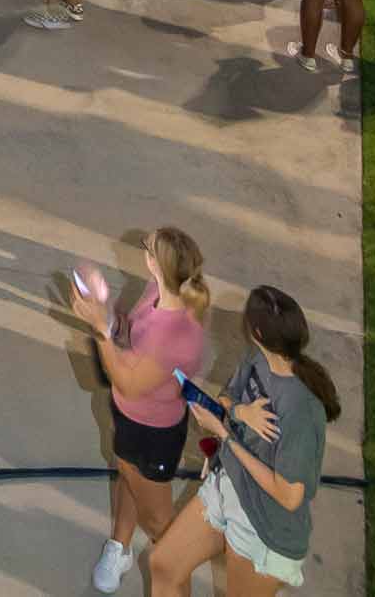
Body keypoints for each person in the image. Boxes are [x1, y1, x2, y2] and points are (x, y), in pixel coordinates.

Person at [141, 285, 337, 595]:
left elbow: (289, 497)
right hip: (227, 487)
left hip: (263, 527)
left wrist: (225, 436)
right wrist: (242, 413)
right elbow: (225, 399)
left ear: (257, 331)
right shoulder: (256, 359)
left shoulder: (301, 408)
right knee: (163, 564)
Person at [67, 225, 214, 593]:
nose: (142, 249)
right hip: (131, 419)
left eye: (146, 247)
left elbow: (128, 382)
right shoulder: (158, 292)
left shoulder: (177, 334)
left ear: (155, 262)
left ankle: (175, 583)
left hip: (153, 434)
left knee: (159, 523)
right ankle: (120, 546)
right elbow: (132, 332)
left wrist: (100, 331)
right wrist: (110, 318)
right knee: (126, 476)